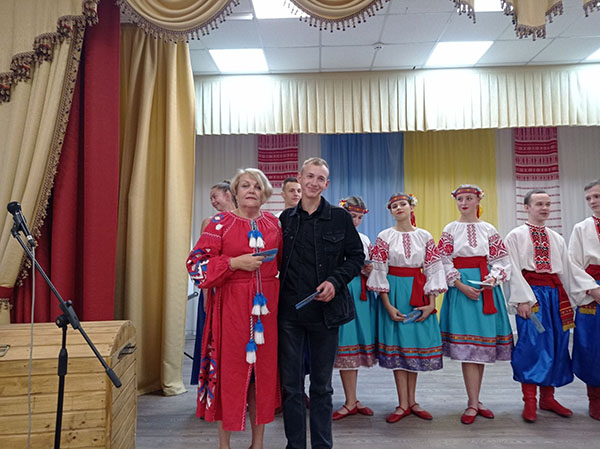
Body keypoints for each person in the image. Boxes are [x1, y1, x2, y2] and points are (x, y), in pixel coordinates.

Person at [186, 168, 282, 449]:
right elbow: (195, 266)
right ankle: (224, 445)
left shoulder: (274, 225)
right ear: (235, 192)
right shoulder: (220, 223)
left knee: (262, 378)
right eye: (245, 185)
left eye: (257, 186)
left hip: (267, 311)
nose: (251, 190)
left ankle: (258, 444)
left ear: (265, 193)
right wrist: (233, 263)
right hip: (230, 308)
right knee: (229, 375)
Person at [278, 157, 364, 449]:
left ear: (327, 184)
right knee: (291, 387)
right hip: (289, 314)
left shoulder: (340, 217)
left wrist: (335, 282)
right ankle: (294, 445)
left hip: (326, 314)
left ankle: (322, 445)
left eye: (320, 179)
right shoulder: (285, 219)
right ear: (300, 178)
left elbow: (356, 257)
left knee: (321, 387)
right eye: (309, 176)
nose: (313, 183)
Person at [504, 189, 589, 423]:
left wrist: (575, 298)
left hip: (555, 294)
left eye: (548, 204)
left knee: (557, 344)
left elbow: (566, 272)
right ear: (527, 207)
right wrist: (522, 299)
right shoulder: (515, 235)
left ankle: (548, 398)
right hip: (531, 295)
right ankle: (529, 401)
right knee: (532, 345)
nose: (544, 208)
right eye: (539, 204)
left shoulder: (556, 238)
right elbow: (512, 269)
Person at [437, 184, 513, 424]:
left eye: (469, 198)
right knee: (469, 349)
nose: (464, 203)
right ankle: (472, 402)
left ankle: (475, 400)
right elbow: (443, 261)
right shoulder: (450, 229)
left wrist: (493, 278)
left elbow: (501, 259)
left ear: (479, 200)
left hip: (485, 289)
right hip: (462, 290)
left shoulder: (489, 229)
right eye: (460, 199)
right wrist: (460, 285)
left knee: (480, 348)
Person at [368, 193, 447, 423]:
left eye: (403, 204)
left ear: (411, 207)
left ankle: (412, 401)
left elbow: (433, 269)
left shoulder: (424, 236)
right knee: (399, 348)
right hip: (394, 294)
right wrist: (387, 305)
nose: (398, 208)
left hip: (418, 293)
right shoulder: (385, 236)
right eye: (394, 206)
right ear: (390, 211)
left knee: (413, 347)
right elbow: (379, 270)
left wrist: (431, 305)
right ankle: (402, 403)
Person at [332, 196, 377, 420]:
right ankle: (348, 400)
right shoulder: (334, 236)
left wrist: (370, 270)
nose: (356, 221)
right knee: (345, 345)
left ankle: (353, 399)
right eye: (352, 216)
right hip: (343, 291)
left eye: (359, 217)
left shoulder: (364, 239)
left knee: (356, 348)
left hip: (362, 294)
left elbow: (374, 267)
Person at [191, 180, 238, 386]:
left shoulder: (244, 220)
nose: (212, 201)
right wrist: (205, 290)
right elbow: (203, 261)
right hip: (213, 288)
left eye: (215, 196)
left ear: (228, 195)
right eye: (210, 198)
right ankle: (212, 384)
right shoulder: (208, 222)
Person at [568, 180, 600, 420]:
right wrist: (592, 289)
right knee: (591, 345)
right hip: (591, 291)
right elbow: (573, 263)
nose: (592, 201)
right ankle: (595, 399)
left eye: (596, 196)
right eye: (588, 198)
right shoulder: (581, 228)